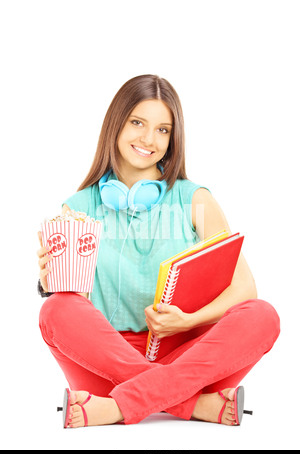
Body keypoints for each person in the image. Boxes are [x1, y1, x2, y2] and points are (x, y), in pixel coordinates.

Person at [38, 74, 280, 427]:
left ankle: (119, 407)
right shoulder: (78, 207)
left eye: (163, 130)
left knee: (263, 315)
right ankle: (193, 405)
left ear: (173, 138)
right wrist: (50, 280)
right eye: (138, 122)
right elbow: (73, 309)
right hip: (106, 364)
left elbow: (244, 288)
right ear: (115, 124)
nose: (149, 139)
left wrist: (189, 320)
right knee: (55, 309)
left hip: (190, 359)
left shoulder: (195, 199)